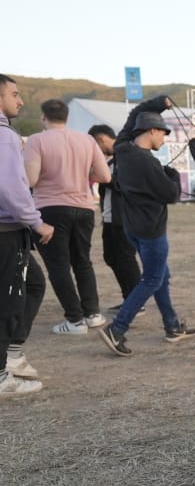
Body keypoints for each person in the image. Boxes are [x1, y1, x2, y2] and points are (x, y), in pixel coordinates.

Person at [98, 99, 195, 357]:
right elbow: (171, 194)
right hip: (151, 230)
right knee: (153, 279)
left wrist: (158, 104)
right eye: (163, 133)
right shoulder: (147, 163)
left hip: (132, 228)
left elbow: (134, 114)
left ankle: (172, 325)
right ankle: (117, 329)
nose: (164, 139)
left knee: (161, 277)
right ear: (152, 131)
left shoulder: (122, 148)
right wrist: (173, 175)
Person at [23, 99, 111, 335]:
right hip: (83, 208)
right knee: (82, 262)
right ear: (67, 117)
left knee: (58, 266)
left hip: (49, 208)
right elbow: (104, 176)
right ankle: (92, 313)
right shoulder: (87, 140)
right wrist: (81, 173)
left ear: (44, 117)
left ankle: (74, 320)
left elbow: (30, 180)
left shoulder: (36, 140)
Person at [0, 74, 52, 396]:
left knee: (32, 284)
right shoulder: (4, 136)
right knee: (10, 298)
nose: (20, 101)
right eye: (15, 94)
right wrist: (36, 222)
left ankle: (13, 354)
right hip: (6, 231)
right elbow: (10, 187)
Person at [89, 124, 142, 312]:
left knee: (126, 258)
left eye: (95, 143)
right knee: (111, 257)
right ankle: (129, 297)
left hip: (125, 218)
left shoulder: (127, 157)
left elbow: (126, 186)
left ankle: (136, 302)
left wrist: (105, 179)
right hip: (110, 218)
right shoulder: (111, 162)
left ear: (101, 139)